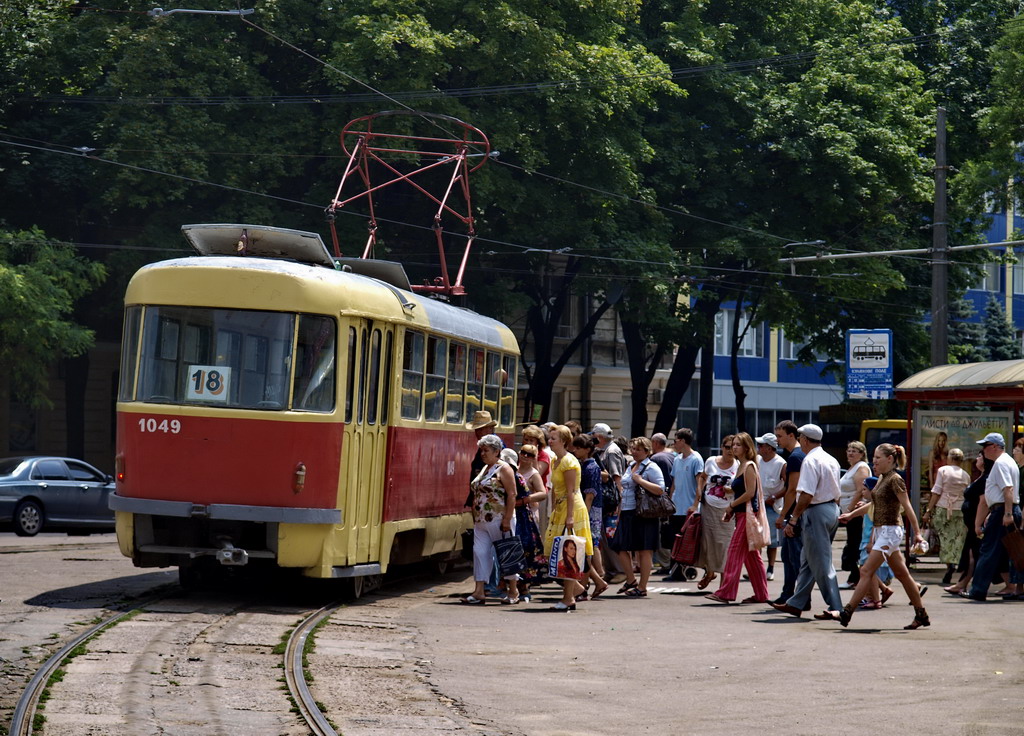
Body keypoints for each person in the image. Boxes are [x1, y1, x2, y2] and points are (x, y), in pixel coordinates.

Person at [830, 443, 930, 629]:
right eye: (874, 458)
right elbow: (874, 505)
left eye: (877, 458)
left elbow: (907, 507)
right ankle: (921, 614)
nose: (874, 461)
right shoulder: (882, 478)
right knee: (902, 574)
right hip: (882, 531)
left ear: (890, 459)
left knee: (866, 570)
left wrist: (917, 533)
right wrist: (851, 515)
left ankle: (847, 612)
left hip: (890, 531)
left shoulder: (895, 480)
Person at [770, 424, 843, 620]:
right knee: (808, 560)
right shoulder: (831, 459)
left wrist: (793, 519)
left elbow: (806, 495)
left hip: (816, 512)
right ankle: (796, 603)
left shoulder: (810, 461)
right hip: (831, 510)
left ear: (804, 439)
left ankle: (837, 606)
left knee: (821, 561)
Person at [705, 432, 771, 604]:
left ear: (747, 447)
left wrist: (732, 506)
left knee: (734, 552)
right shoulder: (741, 465)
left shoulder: (748, 465)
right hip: (741, 514)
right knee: (752, 557)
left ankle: (726, 593)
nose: (734, 447)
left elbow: (750, 492)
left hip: (747, 515)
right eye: (732, 444)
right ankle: (761, 594)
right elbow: (742, 490)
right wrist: (731, 495)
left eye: (738, 445)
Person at [462, 434, 520, 605]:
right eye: (481, 450)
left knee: (507, 554)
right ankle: (479, 591)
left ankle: (513, 591)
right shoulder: (484, 469)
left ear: (497, 451)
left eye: (486, 450)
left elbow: (512, 494)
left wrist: (507, 519)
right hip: (481, 521)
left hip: (500, 519)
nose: (482, 453)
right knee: (480, 553)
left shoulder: (504, 469)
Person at [963, 432, 1022, 601]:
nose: (983, 451)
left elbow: (1007, 489)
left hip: (1003, 511)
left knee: (988, 550)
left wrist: (1007, 513)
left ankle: (978, 590)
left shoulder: (1001, 464)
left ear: (995, 447)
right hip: (1004, 510)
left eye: (985, 446)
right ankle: (1016, 589)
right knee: (1012, 552)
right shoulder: (1008, 461)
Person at [543, 424, 594, 611]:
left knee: (568, 553)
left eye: (553, 438)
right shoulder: (555, 460)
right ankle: (576, 590)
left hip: (572, 508)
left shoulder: (569, 461)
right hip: (561, 509)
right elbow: (556, 490)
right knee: (555, 554)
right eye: (549, 437)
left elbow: (572, 491)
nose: (550, 440)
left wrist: (570, 516)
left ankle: (568, 598)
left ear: (563, 441)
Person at [614, 436, 666, 598]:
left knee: (644, 550)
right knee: (620, 546)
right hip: (627, 512)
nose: (634, 452)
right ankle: (631, 580)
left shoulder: (651, 467)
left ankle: (642, 587)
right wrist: (619, 510)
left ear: (647, 451)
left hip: (644, 513)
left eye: (638, 449)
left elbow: (660, 489)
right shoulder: (630, 466)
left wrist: (641, 481)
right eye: (633, 449)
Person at [694, 435, 739, 591]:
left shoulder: (740, 465)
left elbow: (745, 487)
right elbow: (703, 477)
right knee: (707, 544)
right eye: (727, 447)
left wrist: (732, 489)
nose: (730, 451)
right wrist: (699, 491)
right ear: (721, 447)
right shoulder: (711, 461)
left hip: (727, 510)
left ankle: (723, 588)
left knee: (724, 547)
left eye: (734, 447)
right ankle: (710, 572)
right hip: (708, 507)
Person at [506, 446, 548, 602]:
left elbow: (543, 493)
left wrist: (526, 499)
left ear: (534, 457)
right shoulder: (511, 468)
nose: (525, 456)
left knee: (525, 549)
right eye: (523, 452)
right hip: (511, 512)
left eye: (529, 454)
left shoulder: (534, 474)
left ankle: (524, 587)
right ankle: (510, 585)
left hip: (525, 514)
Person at [922, 447, 970, 587]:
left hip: (944, 508)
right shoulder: (965, 475)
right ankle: (956, 563)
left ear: (949, 458)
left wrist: (929, 510)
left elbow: (937, 491)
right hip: (960, 510)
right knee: (957, 539)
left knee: (945, 538)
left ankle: (949, 565)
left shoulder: (943, 470)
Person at [945, 454, 990, 596]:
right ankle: (962, 584)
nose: (977, 459)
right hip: (972, 523)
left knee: (973, 554)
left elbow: (983, 502)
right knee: (972, 554)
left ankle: (963, 584)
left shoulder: (985, 479)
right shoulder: (981, 477)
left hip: (977, 522)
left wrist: (978, 524)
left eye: (980, 457)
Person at [663, 428, 704, 581]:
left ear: (683, 441)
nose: (674, 443)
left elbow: (700, 483)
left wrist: (695, 505)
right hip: (676, 507)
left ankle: (682, 571)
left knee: (685, 542)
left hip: (688, 508)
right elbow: (673, 483)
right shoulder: (677, 459)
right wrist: (669, 501)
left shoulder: (696, 459)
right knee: (675, 540)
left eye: (676, 440)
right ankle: (675, 572)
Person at [572, 433, 609, 599]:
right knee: (585, 548)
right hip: (589, 510)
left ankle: (587, 584)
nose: (575, 450)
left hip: (591, 511)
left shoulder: (591, 467)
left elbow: (590, 495)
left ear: (587, 450)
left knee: (586, 549)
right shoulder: (584, 465)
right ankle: (592, 582)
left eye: (578, 448)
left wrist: (584, 515)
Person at [773, 420, 805, 604]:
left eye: (779, 436)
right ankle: (789, 594)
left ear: (791, 436)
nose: (777, 440)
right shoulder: (797, 455)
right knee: (788, 556)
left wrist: (783, 515)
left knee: (794, 557)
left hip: (795, 516)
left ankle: (796, 597)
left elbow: (792, 490)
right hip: (797, 514)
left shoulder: (795, 457)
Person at [839, 441, 871, 589]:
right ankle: (856, 576)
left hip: (856, 513)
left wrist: (849, 511)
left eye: (855, 451)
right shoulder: (852, 468)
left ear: (862, 454)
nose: (850, 453)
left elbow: (860, 491)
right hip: (849, 511)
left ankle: (855, 577)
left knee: (854, 544)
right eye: (849, 450)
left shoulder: (861, 468)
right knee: (853, 543)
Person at [755, 433, 786, 581]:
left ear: (769, 448)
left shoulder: (781, 464)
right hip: (758, 504)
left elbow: (788, 486)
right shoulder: (757, 460)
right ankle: (758, 567)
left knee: (772, 541)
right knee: (757, 538)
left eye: (761, 445)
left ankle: (771, 567)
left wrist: (774, 497)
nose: (758, 448)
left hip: (772, 506)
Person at [650, 432, 675, 572]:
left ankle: (666, 564)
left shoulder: (656, 458)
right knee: (669, 531)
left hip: (660, 501)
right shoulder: (673, 456)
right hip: (672, 500)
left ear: (656, 443)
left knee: (660, 533)